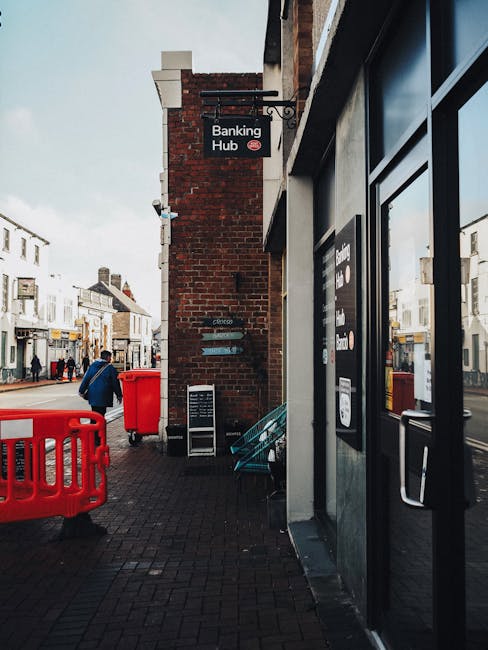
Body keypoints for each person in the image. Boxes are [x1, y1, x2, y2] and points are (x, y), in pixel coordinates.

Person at [78, 349, 122, 422]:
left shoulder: (92, 366)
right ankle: (98, 432)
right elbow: (115, 383)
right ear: (108, 357)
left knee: (94, 414)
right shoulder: (110, 369)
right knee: (101, 415)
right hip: (104, 395)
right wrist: (119, 395)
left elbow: (86, 379)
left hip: (93, 395)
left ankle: (93, 430)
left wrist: (81, 391)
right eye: (110, 357)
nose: (110, 359)